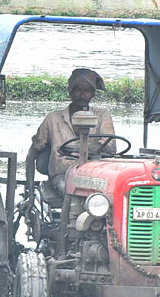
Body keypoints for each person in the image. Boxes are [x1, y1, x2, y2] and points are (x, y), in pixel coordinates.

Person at [30, 68, 117, 205]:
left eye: (86, 90)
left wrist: (89, 148)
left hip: (96, 175)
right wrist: (29, 190)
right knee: (72, 193)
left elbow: (110, 146)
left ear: (93, 93)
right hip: (63, 175)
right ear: (70, 92)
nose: (82, 95)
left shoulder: (102, 115)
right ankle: (68, 224)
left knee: (111, 198)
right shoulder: (53, 119)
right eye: (77, 90)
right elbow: (33, 151)